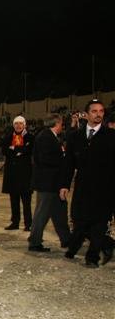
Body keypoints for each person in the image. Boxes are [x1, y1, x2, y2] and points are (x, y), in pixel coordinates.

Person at [60, 100, 115, 267]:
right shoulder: (75, 136)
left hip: (105, 188)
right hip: (82, 187)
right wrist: (64, 185)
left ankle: (92, 257)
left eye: (101, 111)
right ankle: (98, 245)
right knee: (80, 220)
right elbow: (68, 163)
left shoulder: (111, 136)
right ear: (87, 114)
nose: (98, 114)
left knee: (99, 223)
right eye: (94, 111)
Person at [26, 114, 71, 252]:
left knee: (60, 212)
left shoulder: (49, 136)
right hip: (47, 183)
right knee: (42, 214)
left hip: (53, 183)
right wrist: (62, 158)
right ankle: (34, 242)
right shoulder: (45, 137)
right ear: (56, 123)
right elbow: (44, 159)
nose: (62, 126)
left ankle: (66, 239)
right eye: (61, 123)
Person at [1, 115, 34, 231]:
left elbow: (28, 150)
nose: (18, 126)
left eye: (20, 123)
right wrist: (20, 151)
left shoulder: (30, 137)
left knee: (26, 202)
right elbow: (4, 150)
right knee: (14, 201)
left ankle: (28, 224)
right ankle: (15, 222)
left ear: (24, 125)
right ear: (13, 125)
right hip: (12, 175)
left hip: (25, 175)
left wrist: (14, 149)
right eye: (16, 123)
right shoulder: (8, 137)